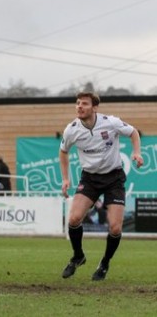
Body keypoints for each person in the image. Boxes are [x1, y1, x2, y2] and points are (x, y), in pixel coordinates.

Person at [59, 91, 143, 281]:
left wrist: (137, 153)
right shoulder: (71, 130)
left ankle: (104, 263)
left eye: (85, 104)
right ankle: (78, 256)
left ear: (95, 107)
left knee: (115, 228)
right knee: (73, 219)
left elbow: (133, 132)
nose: (80, 106)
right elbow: (63, 152)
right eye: (78, 103)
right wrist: (65, 179)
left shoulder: (110, 122)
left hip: (113, 179)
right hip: (89, 179)